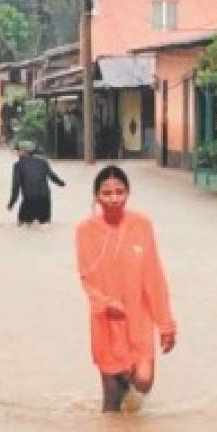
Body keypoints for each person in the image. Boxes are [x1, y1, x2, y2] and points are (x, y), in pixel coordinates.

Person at [75, 165, 177, 414]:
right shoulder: (85, 231)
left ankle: (130, 399)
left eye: (120, 192)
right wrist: (104, 301)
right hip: (106, 320)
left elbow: (154, 275)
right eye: (107, 193)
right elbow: (86, 277)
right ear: (96, 196)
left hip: (138, 317)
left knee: (143, 380)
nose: (114, 199)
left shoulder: (142, 225)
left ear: (128, 193)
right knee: (111, 402)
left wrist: (165, 324)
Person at [8, 140, 65, 225]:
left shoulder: (18, 166)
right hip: (44, 200)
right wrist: (61, 183)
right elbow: (52, 176)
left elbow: (16, 187)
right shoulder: (43, 162)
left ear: (25, 152)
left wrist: (11, 203)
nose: (17, 153)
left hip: (29, 200)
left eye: (19, 150)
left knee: (22, 225)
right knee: (44, 225)